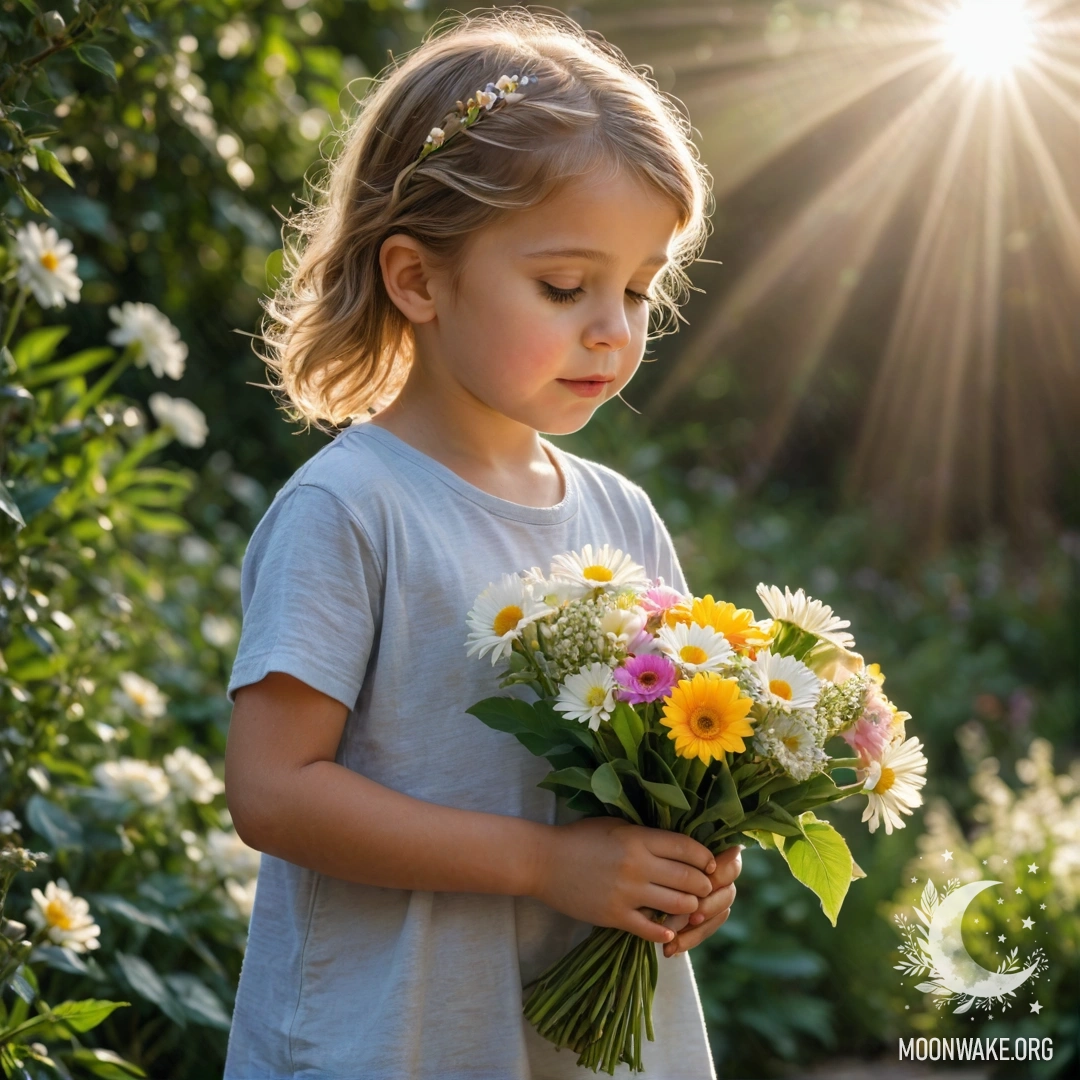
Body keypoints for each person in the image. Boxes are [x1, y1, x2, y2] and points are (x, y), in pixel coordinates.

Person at [223, 7, 743, 1078]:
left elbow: (675, 759)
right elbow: (273, 790)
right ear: (417, 279)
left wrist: (692, 864)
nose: (614, 328)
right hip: (393, 1038)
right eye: (565, 287)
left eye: (640, 289)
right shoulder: (353, 508)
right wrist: (545, 864)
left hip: (580, 1046)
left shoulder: (621, 518)